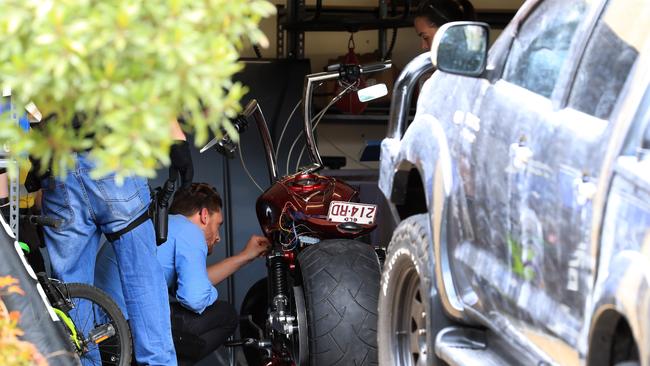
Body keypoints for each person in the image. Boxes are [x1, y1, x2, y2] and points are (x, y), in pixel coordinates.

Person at [36, 116, 193, 365]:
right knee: (143, 280)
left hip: (57, 166)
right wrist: (176, 137)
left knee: (71, 289)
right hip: (109, 158)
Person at [95, 182, 271, 365]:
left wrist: (244, 257)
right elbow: (195, 298)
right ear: (204, 215)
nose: (218, 237)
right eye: (218, 224)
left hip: (101, 335)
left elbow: (197, 282)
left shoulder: (163, 227)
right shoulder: (190, 231)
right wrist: (208, 292)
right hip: (127, 330)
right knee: (226, 315)